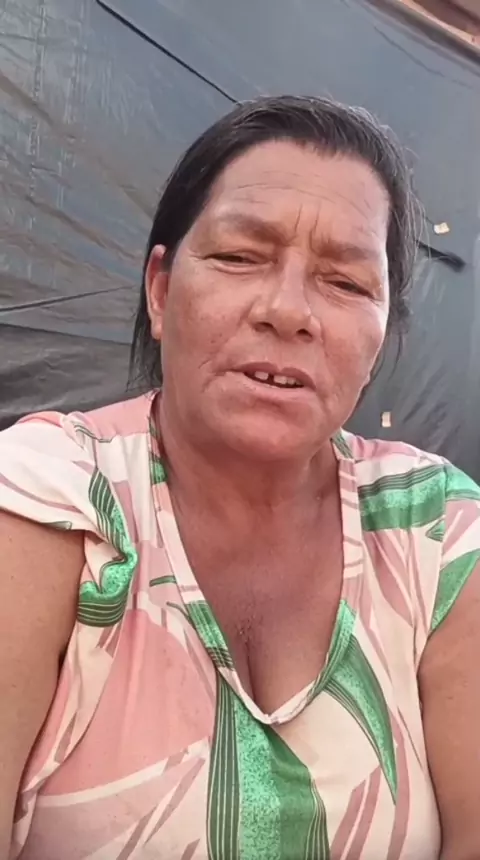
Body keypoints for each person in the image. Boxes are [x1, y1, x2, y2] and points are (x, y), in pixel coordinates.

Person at [0, 95, 479, 860]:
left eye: (346, 283)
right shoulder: (45, 496)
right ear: (161, 291)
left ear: (383, 338)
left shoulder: (436, 531)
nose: (288, 311)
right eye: (239, 257)